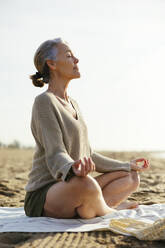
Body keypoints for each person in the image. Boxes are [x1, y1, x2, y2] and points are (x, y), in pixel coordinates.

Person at [24, 38, 150, 219]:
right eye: (69, 56)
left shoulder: (73, 103)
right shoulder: (44, 101)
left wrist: (126, 165)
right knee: (86, 185)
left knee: (130, 177)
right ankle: (110, 211)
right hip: (45, 194)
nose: (76, 60)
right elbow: (55, 152)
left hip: (75, 184)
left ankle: (91, 208)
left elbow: (88, 154)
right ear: (51, 64)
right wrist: (72, 168)